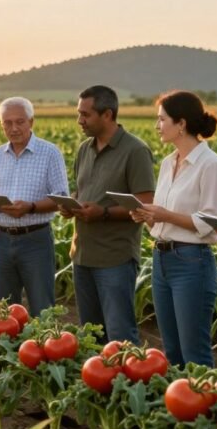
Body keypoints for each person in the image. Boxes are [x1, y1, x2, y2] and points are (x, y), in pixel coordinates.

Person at [131, 90, 217, 367]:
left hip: (191, 262)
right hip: (161, 259)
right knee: (172, 351)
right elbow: (164, 217)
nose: (157, 126)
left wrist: (166, 215)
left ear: (181, 124)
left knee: (194, 353)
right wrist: (148, 216)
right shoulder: (167, 163)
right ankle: (178, 408)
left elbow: (212, 223)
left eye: (162, 119)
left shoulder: (212, 166)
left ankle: (203, 408)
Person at [61, 85, 155, 343]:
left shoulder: (135, 151)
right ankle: (96, 383)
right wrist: (72, 206)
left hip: (115, 257)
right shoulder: (84, 149)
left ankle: (126, 383)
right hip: (82, 254)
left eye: (86, 115)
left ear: (107, 114)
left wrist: (102, 213)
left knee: (119, 334)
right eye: (79, 114)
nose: (80, 120)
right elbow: (83, 192)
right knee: (91, 334)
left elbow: (145, 204)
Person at [0, 97, 69, 316]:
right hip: (2, 238)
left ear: (31, 122)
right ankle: (12, 350)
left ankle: (47, 348)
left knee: (42, 307)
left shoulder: (50, 153)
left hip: (35, 240)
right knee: (5, 309)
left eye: (19, 122)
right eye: (7, 123)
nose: (14, 128)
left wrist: (30, 207)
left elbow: (61, 198)